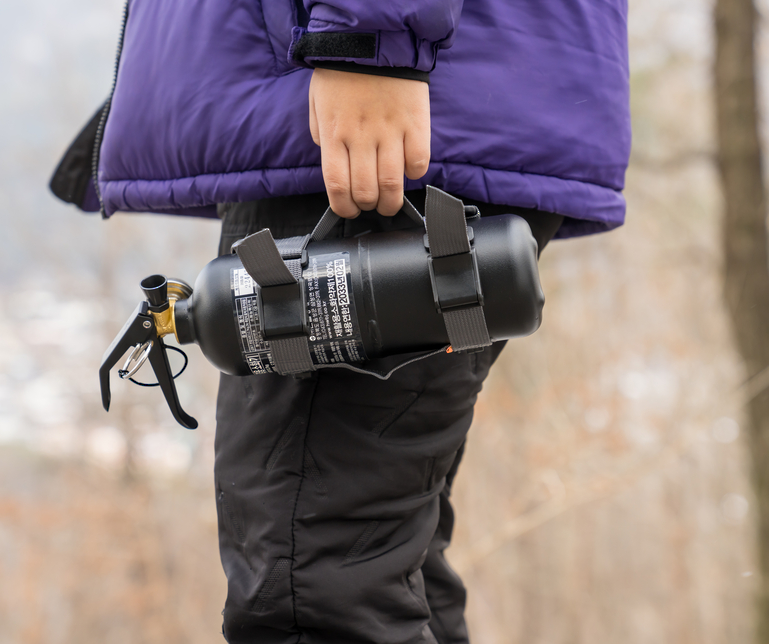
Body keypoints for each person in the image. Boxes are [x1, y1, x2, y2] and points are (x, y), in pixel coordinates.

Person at [52, 1, 630, 641]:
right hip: (382, 103)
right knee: (377, 562)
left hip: (369, 117)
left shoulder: (375, 51)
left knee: (314, 583)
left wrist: (374, 41)